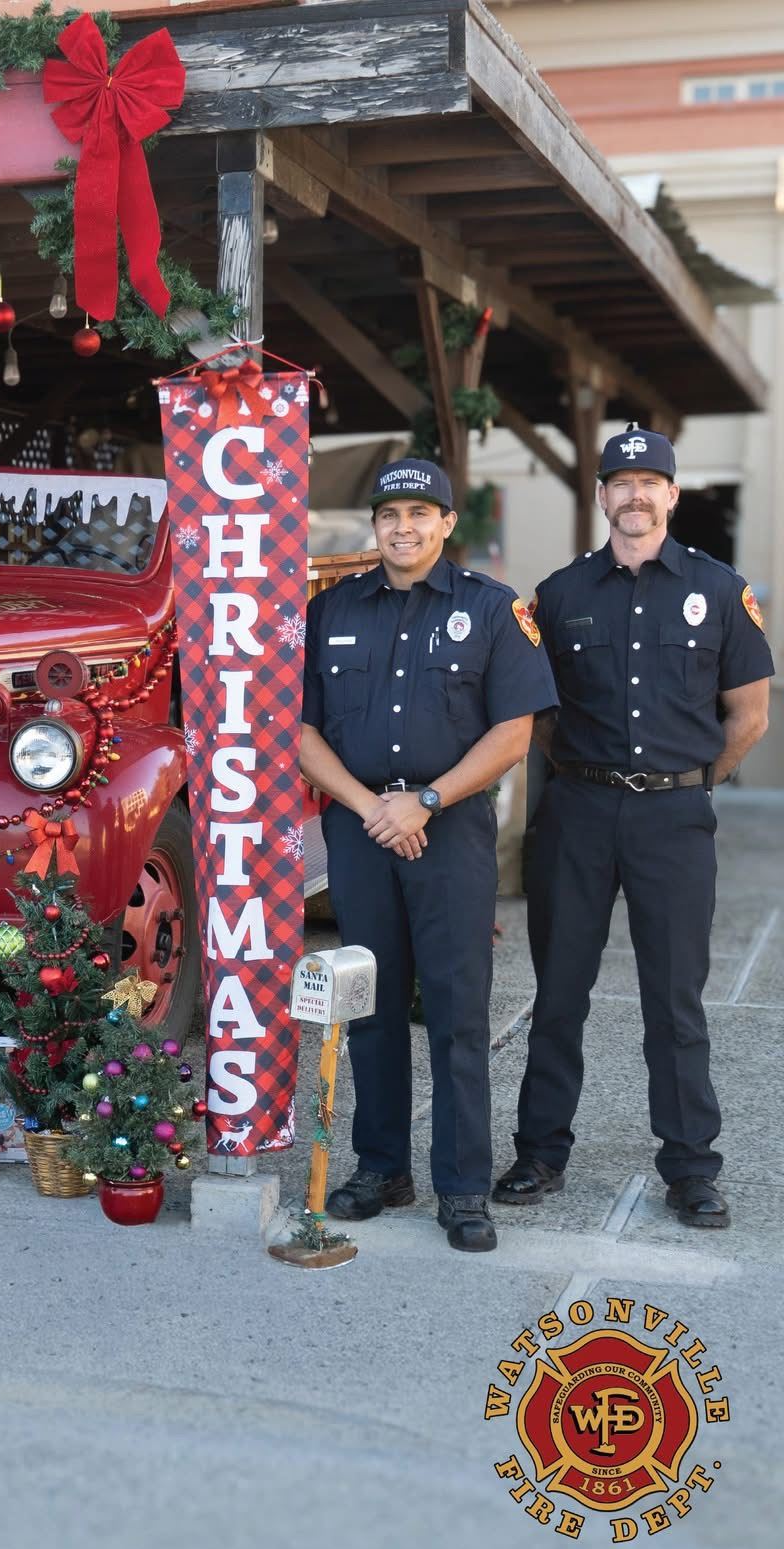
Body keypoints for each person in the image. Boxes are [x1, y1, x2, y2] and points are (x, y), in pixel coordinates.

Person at [497, 426, 772, 1229]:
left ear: (673, 496)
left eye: (652, 481)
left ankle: (690, 1167)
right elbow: (541, 716)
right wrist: (591, 776)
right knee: (559, 994)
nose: (636, 494)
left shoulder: (721, 590)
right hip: (578, 812)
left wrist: (686, 787)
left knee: (675, 999)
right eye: (622, 481)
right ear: (603, 496)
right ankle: (540, 1151)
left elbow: (749, 717)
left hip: (674, 819)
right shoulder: (559, 594)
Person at [300, 460, 556, 1252]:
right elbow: (304, 733)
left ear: (447, 522)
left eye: (420, 511)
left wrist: (428, 800)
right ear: (375, 525)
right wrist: (374, 806)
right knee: (370, 1004)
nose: (403, 526)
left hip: (450, 832)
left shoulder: (491, 609)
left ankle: (461, 1186)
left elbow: (513, 732)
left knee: (455, 1011)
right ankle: (381, 1167)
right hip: (361, 824)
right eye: (389, 513)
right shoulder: (331, 610)